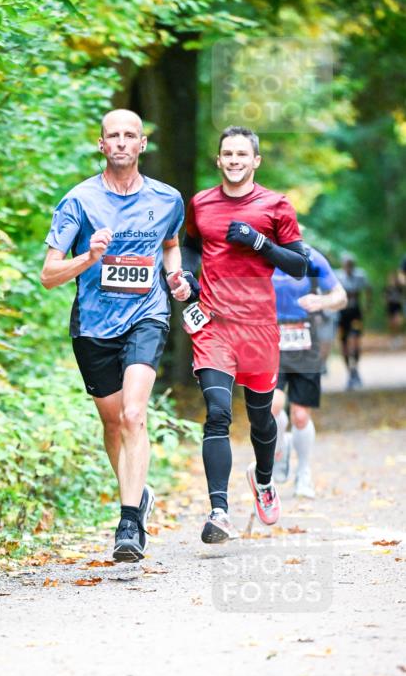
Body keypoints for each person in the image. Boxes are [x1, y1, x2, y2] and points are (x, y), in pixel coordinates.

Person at [40, 109, 190, 561]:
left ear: (142, 144)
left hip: (147, 315)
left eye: (130, 135)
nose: (122, 142)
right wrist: (89, 257)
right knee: (111, 423)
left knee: (132, 414)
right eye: (114, 136)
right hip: (93, 325)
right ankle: (137, 493)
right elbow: (48, 275)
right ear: (102, 144)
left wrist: (176, 275)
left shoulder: (168, 199)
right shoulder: (78, 201)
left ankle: (129, 523)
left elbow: (170, 245)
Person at [178, 126, 308, 543]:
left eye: (242, 154)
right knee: (217, 412)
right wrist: (186, 276)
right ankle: (219, 511)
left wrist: (259, 242)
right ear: (219, 160)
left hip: (259, 328)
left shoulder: (276, 205)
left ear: (256, 161)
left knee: (261, 418)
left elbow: (298, 265)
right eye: (228, 154)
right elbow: (191, 246)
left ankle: (264, 480)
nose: (234, 160)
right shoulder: (200, 203)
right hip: (214, 325)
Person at [271, 245, 347, 498]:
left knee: (301, 416)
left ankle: (303, 473)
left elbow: (340, 296)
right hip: (270, 340)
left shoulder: (310, 257)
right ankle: (279, 449)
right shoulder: (260, 252)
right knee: (272, 407)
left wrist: (322, 301)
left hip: (305, 342)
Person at [335, 253, 371, 389]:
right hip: (341, 313)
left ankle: (355, 367)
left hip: (355, 313)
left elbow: (368, 288)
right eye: (347, 264)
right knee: (343, 342)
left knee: (355, 339)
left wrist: (368, 304)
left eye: (351, 265)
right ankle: (350, 372)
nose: (349, 267)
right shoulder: (337, 276)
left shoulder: (360, 275)